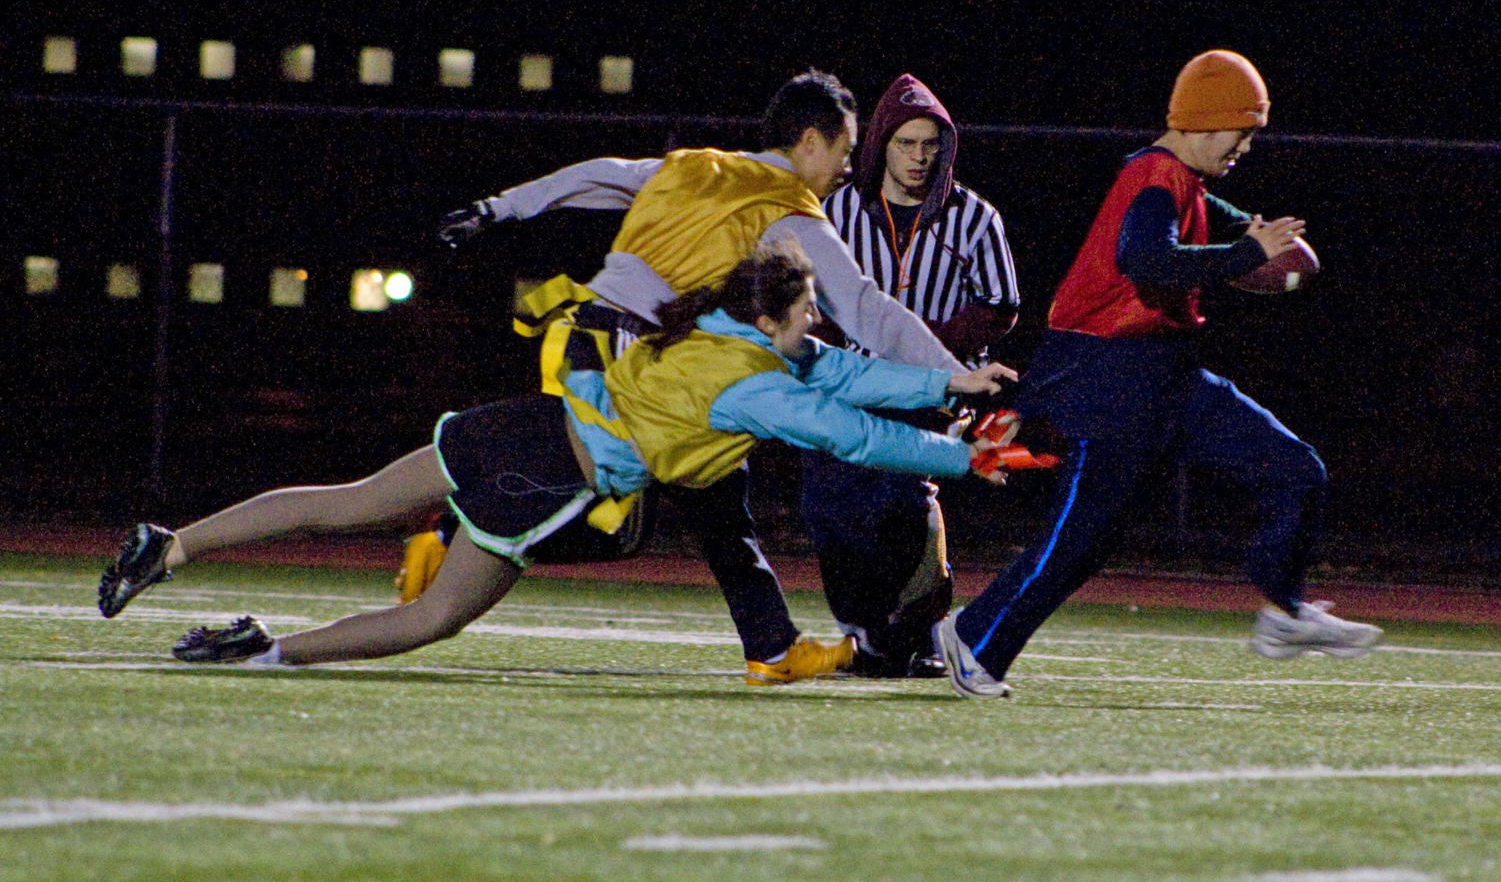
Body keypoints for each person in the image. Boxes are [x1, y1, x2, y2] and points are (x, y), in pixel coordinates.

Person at [100, 244, 1013, 685]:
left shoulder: (726, 326)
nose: (815, 325)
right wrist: (960, 458)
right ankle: (269, 652)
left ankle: (170, 545)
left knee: (350, 501)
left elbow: (846, 372)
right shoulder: (752, 383)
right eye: (806, 312)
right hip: (545, 479)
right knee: (433, 618)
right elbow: (849, 433)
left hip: (519, 426)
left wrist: (949, 380)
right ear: (771, 319)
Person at [431, 69, 1013, 677]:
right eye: (844, 150)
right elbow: (868, 311)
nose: (846, 167)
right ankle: (460, 528)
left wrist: (497, 208)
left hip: (596, 338)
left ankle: (771, 646)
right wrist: (956, 380)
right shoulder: (787, 210)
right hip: (643, 358)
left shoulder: (699, 165)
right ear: (811, 141)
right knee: (628, 521)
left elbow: (600, 174)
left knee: (716, 490)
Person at [932, 50, 1383, 700]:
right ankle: (976, 638)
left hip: (1167, 376)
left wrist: (1261, 252)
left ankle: (1284, 612)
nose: (1245, 147)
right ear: (1206, 121)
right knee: (1081, 539)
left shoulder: (1188, 185)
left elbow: (1266, 252)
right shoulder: (1152, 175)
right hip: (1103, 381)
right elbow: (1144, 259)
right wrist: (1245, 253)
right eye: (1242, 131)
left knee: (1294, 468)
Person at [801, 73, 1021, 677]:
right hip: (850, 379)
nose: (920, 156)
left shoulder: (974, 217)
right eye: (906, 143)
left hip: (934, 386)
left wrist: (927, 346)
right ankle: (863, 630)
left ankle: (917, 632)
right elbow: (809, 290)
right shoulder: (837, 210)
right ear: (881, 145)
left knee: (903, 498)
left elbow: (1001, 304)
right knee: (826, 501)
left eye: (930, 144)